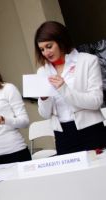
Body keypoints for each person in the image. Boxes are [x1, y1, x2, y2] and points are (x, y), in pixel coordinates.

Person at [34, 21, 106, 155]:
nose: (46, 53)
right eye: (42, 49)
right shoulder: (42, 71)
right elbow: (44, 114)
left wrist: (63, 88)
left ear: (61, 40)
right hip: (63, 135)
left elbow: (96, 101)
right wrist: (44, 99)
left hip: (91, 130)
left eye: (49, 46)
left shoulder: (88, 61)